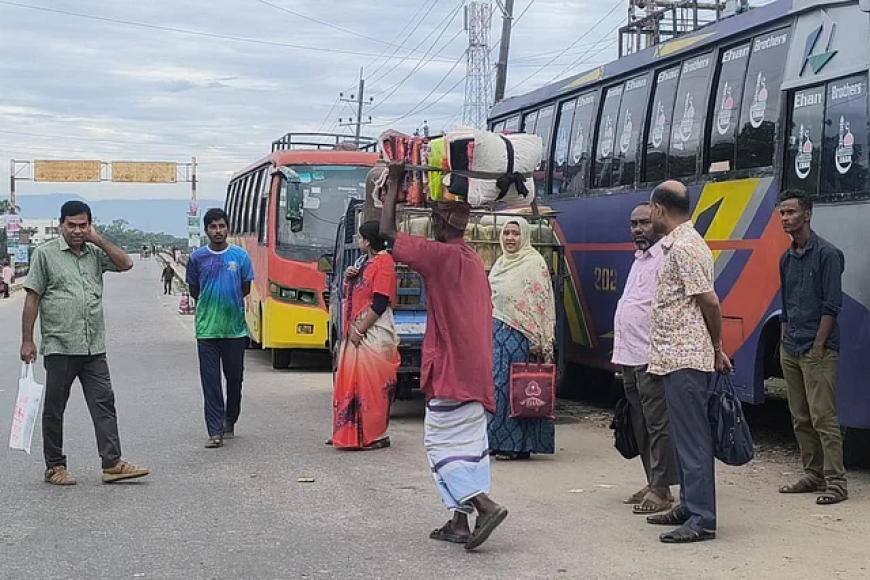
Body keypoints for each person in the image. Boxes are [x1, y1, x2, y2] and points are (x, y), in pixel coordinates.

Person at [380, 161, 509, 551]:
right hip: (476, 371)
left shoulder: (441, 257)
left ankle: (482, 505)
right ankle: (459, 523)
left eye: (435, 218)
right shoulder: (472, 260)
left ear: (441, 224)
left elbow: (386, 232)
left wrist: (395, 183)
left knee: (439, 444)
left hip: (452, 368)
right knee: (470, 446)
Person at [20, 200, 150, 486]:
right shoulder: (45, 254)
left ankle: (112, 463)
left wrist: (98, 239)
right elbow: (32, 298)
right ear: (61, 225)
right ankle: (55, 466)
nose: (77, 231)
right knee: (55, 408)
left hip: (93, 347)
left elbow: (126, 263)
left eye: (83, 225)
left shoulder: (94, 253)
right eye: (72, 225)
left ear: (89, 225)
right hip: (60, 346)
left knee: (104, 403)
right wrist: (27, 340)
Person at [645, 181, 731, 544]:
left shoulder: (685, 247)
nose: (649, 217)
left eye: (650, 210)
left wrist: (717, 347)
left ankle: (702, 518)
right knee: (683, 437)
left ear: (660, 210)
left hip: (686, 357)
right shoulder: (680, 245)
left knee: (694, 439)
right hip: (673, 357)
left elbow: (710, 302)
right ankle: (689, 505)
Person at [777, 190, 847, 505]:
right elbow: (787, 305)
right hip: (791, 347)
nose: (785, 218)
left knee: (823, 418)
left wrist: (818, 345)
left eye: (791, 212)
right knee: (800, 417)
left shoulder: (828, 254)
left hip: (818, 349)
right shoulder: (786, 258)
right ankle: (812, 475)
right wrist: (783, 340)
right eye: (782, 213)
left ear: (807, 215)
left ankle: (837, 483)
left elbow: (832, 306)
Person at [612, 203, 678, 515]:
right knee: (640, 422)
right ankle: (652, 481)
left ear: (658, 223)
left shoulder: (666, 257)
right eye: (634, 223)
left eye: (644, 223)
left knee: (658, 424)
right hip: (629, 355)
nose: (638, 229)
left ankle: (663, 489)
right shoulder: (640, 259)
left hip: (651, 355)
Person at [486, 217, 556, 461]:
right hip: (499, 331)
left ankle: (518, 445)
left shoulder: (533, 263)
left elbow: (542, 303)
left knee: (521, 388)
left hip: (524, 335)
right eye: (506, 233)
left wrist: (540, 338)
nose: (510, 238)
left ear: (524, 236)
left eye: (515, 233)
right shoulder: (500, 264)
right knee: (499, 387)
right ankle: (498, 440)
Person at [186, 208, 254, 448]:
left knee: (234, 380)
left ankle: (230, 419)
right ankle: (214, 431)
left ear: (228, 228)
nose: (218, 231)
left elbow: (245, 288)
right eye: (213, 227)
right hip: (207, 330)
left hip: (235, 330)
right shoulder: (197, 259)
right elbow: (195, 290)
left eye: (221, 226)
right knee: (210, 382)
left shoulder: (240, 256)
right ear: (206, 230)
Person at [331, 221, 399, 450]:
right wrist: (351, 277)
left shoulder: (384, 263)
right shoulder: (364, 262)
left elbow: (380, 302)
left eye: (361, 238)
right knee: (353, 382)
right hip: (356, 331)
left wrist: (360, 330)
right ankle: (349, 431)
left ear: (367, 241)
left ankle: (372, 434)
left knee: (372, 385)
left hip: (372, 331)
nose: (359, 242)